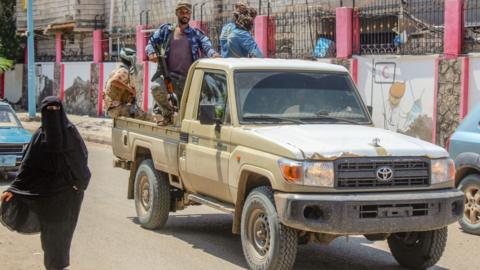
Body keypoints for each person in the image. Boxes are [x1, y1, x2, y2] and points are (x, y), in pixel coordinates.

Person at [0, 96, 91, 270]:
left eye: (57, 109)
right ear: (43, 113)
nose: (53, 113)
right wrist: (13, 189)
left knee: (62, 239)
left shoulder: (71, 134)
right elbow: (27, 167)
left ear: (62, 111)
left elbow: (81, 162)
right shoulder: (39, 137)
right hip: (47, 200)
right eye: (49, 110)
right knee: (50, 241)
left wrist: (78, 184)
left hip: (67, 199)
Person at [145, 0, 220, 125]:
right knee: (155, 87)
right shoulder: (166, 31)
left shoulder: (196, 34)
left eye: (187, 12)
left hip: (188, 79)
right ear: (177, 13)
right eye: (182, 12)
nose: (185, 14)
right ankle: (167, 114)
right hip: (169, 77)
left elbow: (207, 46)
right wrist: (151, 52)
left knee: (186, 112)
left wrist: (214, 54)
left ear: (190, 14)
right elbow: (151, 42)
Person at [103, 48, 147, 120]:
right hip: (116, 109)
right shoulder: (124, 71)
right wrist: (129, 89)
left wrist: (130, 94)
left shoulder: (116, 70)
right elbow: (114, 81)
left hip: (112, 108)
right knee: (145, 116)